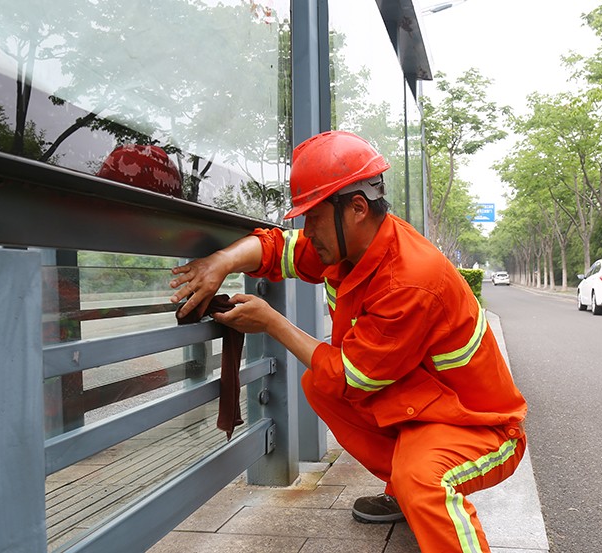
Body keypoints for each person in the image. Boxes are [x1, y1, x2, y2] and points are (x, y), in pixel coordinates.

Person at [169, 130, 527, 553]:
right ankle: (406, 489)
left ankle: (416, 486)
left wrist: (272, 324)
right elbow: (277, 249)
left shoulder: (409, 279)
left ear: (356, 208)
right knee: (319, 385)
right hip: (428, 406)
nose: (307, 230)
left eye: (313, 217)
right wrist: (221, 261)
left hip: (482, 428)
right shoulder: (349, 247)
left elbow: (353, 377)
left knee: (422, 478)